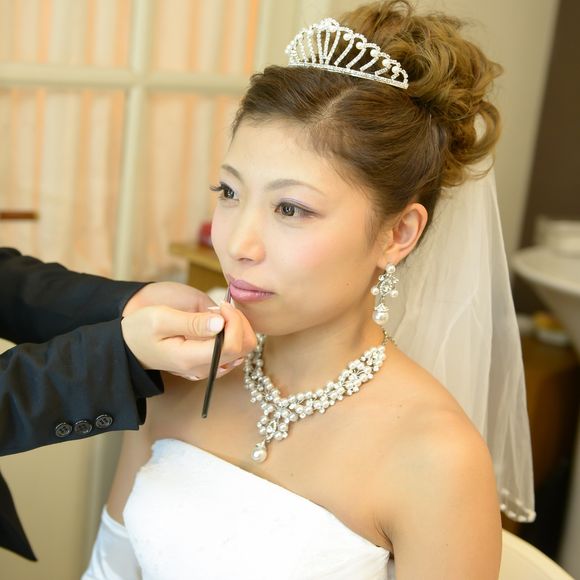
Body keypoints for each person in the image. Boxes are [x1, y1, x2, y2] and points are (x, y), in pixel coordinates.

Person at [84, 1, 535, 578]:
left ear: (398, 233)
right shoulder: (178, 372)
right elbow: (109, 569)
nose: (238, 244)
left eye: (291, 208)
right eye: (229, 193)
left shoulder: (437, 459)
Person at [0, 247, 256, 560]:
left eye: (293, 217)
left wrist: (126, 302)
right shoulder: (179, 387)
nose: (237, 245)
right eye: (228, 198)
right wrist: (116, 352)